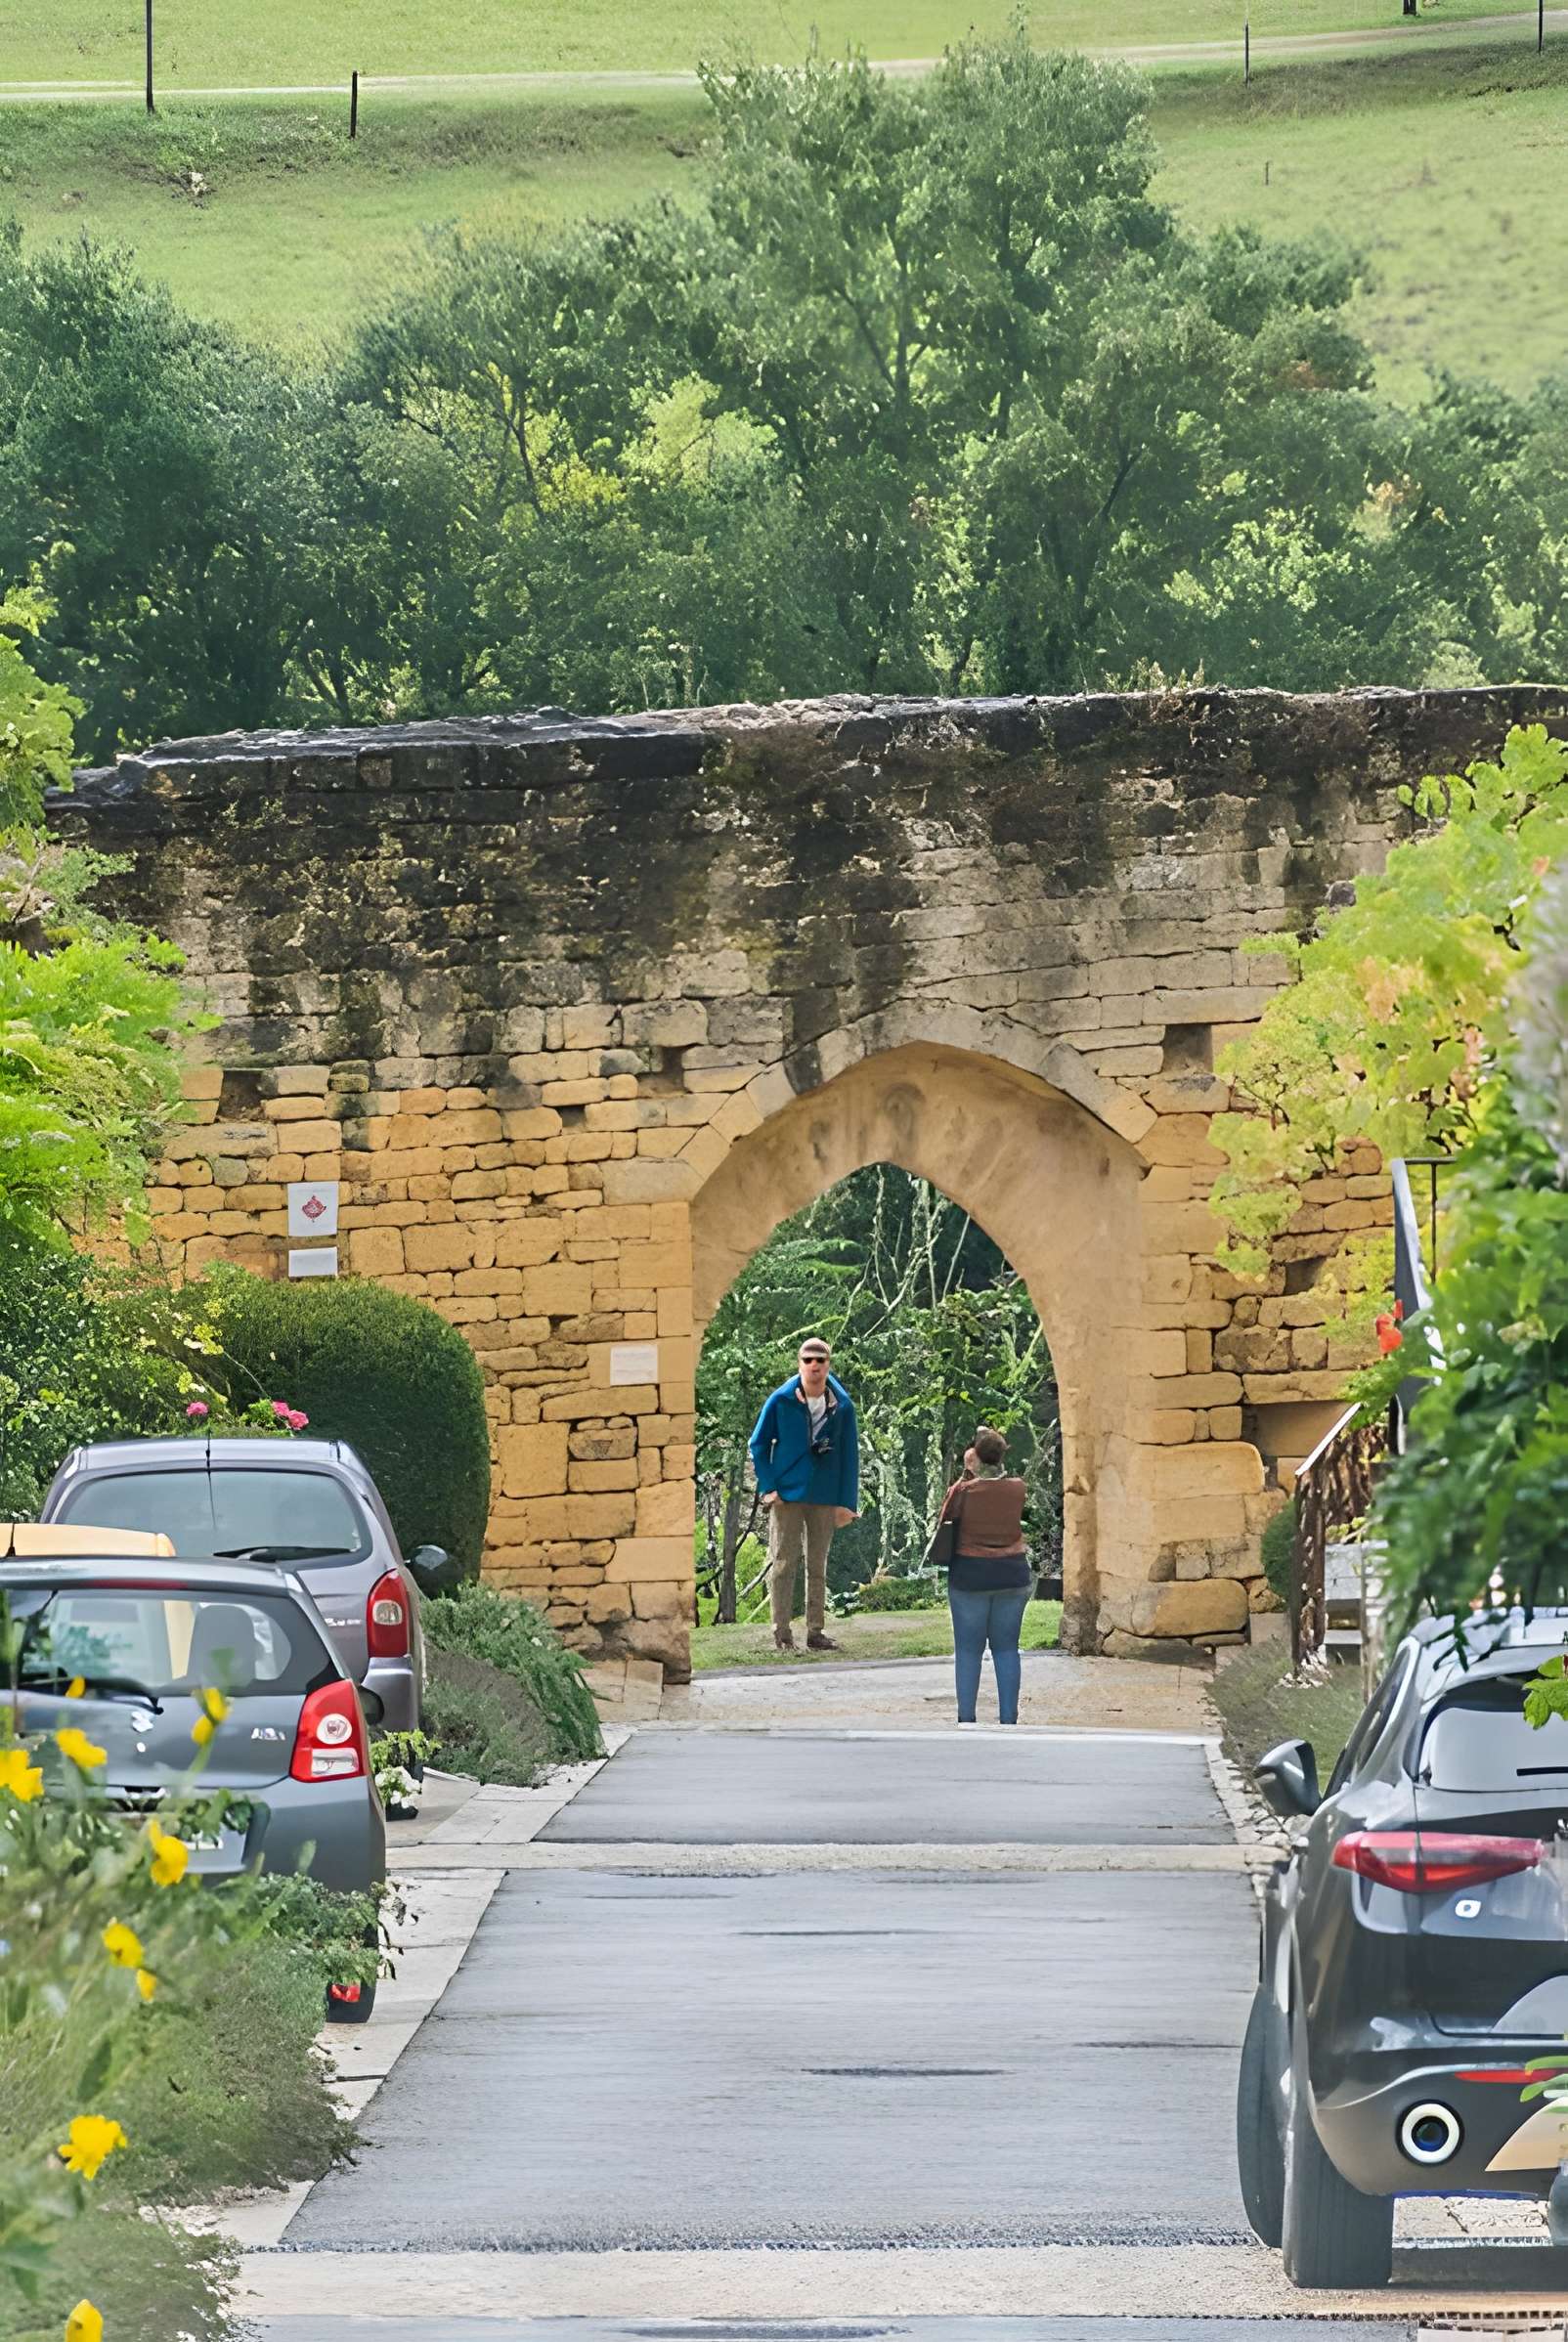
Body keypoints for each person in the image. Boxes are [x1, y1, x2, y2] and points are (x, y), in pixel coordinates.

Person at [748, 1337, 859, 1652]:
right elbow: (758, 1444)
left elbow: (849, 1456)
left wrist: (847, 1503)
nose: (814, 1365)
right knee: (784, 1563)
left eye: (820, 1360)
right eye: (808, 1359)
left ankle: (815, 1632)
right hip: (787, 1494)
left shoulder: (842, 1406)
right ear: (799, 1364)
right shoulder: (781, 1400)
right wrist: (768, 1488)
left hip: (824, 1493)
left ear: (828, 1365)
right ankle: (782, 1633)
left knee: (818, 1565)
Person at [936, 1424, 1030, 1725]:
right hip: (1012, 1573)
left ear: (973, 1455)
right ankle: (1009, 1719)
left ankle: (967, 1719)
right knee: (1007, 1649)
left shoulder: (964, 1490)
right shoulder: (1018, 1488)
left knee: (968, 1650)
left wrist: (967, 1472)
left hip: (970, 1575)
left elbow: (945, 1517)